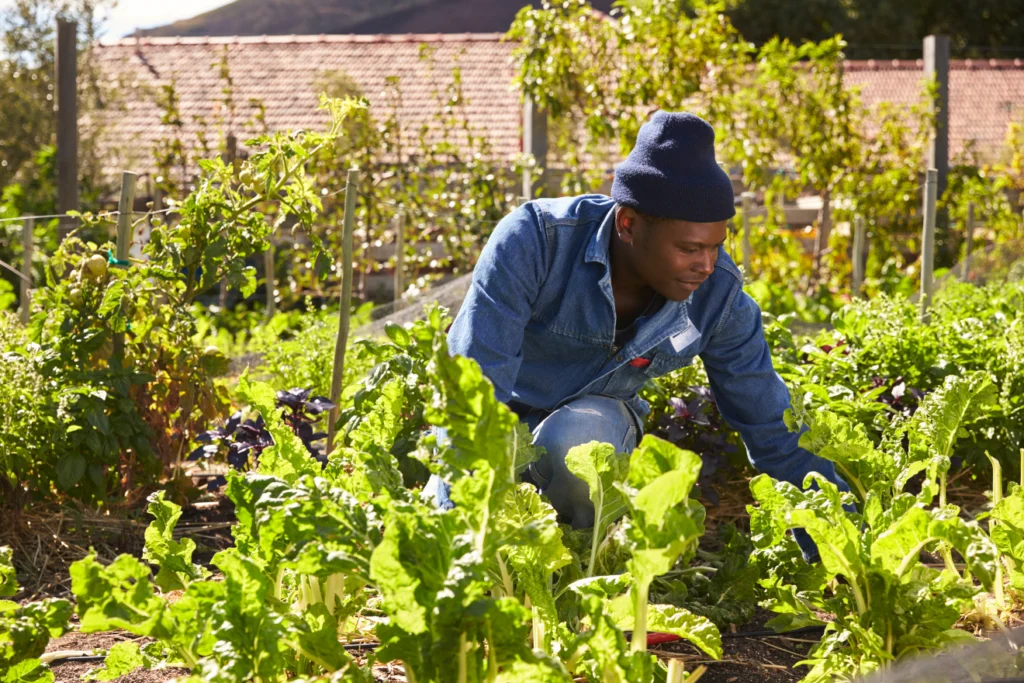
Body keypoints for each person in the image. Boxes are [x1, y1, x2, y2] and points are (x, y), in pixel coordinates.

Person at [433, 111, 844, 557]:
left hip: (591, 427)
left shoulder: (718, 298)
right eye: (689, 248)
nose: (706, 265)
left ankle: (582, 567)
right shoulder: (536, 241)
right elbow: (470, 398)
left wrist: (842, 550)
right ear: (628, 224)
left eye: (715, 246)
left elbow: (773, 428)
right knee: (446, 532)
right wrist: (464, 549)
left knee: (579, 445)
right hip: (501, 431)